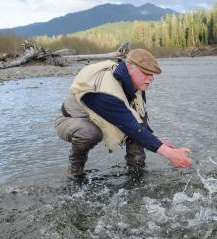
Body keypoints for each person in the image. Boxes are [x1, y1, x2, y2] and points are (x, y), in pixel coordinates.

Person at [54, 48, 193, 176]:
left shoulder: (135, 84)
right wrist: (169, 153)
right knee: (90, 132)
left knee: (139, 126)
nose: (152, 78)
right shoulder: (105, 92)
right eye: (147, 73)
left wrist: (157, 143)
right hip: (71, 121)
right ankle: (75, 171)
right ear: (130, 68)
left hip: (109, 118)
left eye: (153, 74)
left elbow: (139, 120)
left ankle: (137, 171)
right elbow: (130, 126)